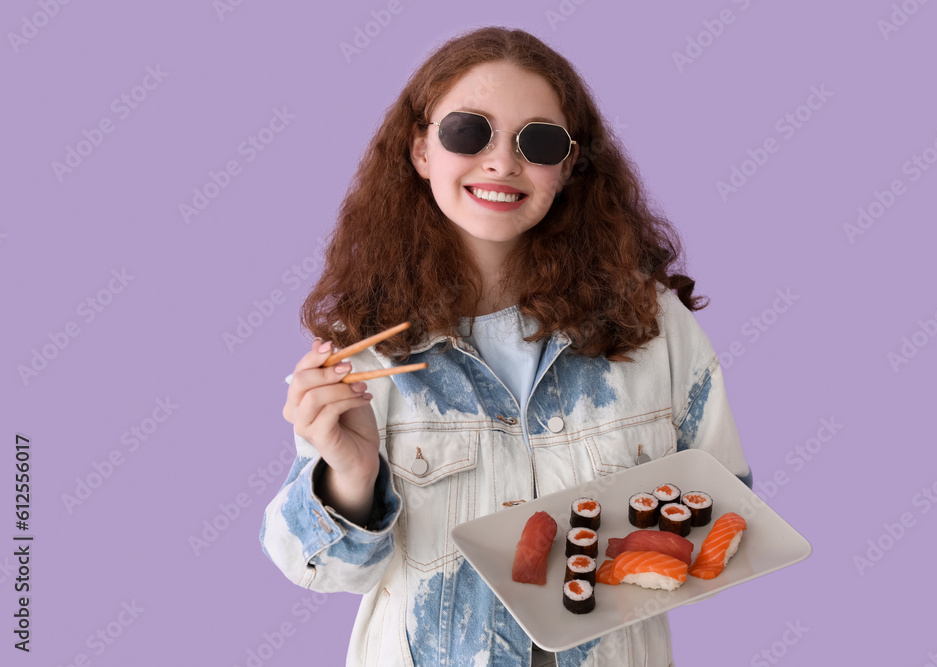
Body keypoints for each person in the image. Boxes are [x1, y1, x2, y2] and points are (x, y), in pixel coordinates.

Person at [260, 26, 752, 667]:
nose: (501, 162)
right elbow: (317, 569)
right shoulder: (364, 348)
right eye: (469, 131)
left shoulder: (650, 323)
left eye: (538, 142)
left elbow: (727, 511)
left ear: (569, 165)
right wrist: (350, 477)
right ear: (420, 150)